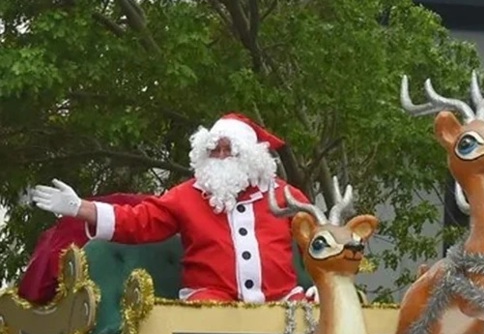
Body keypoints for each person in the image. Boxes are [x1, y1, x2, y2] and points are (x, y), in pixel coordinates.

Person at [30, 113, 312, 303]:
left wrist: (329, 286)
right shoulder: (187, 195)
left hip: (282, 303)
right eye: (215, 150)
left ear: (251, 156)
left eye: (230, 150)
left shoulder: (284, 194)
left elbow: (321, 241)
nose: (222, 157)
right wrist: (83, 208)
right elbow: (139, 220)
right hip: (211, 302)